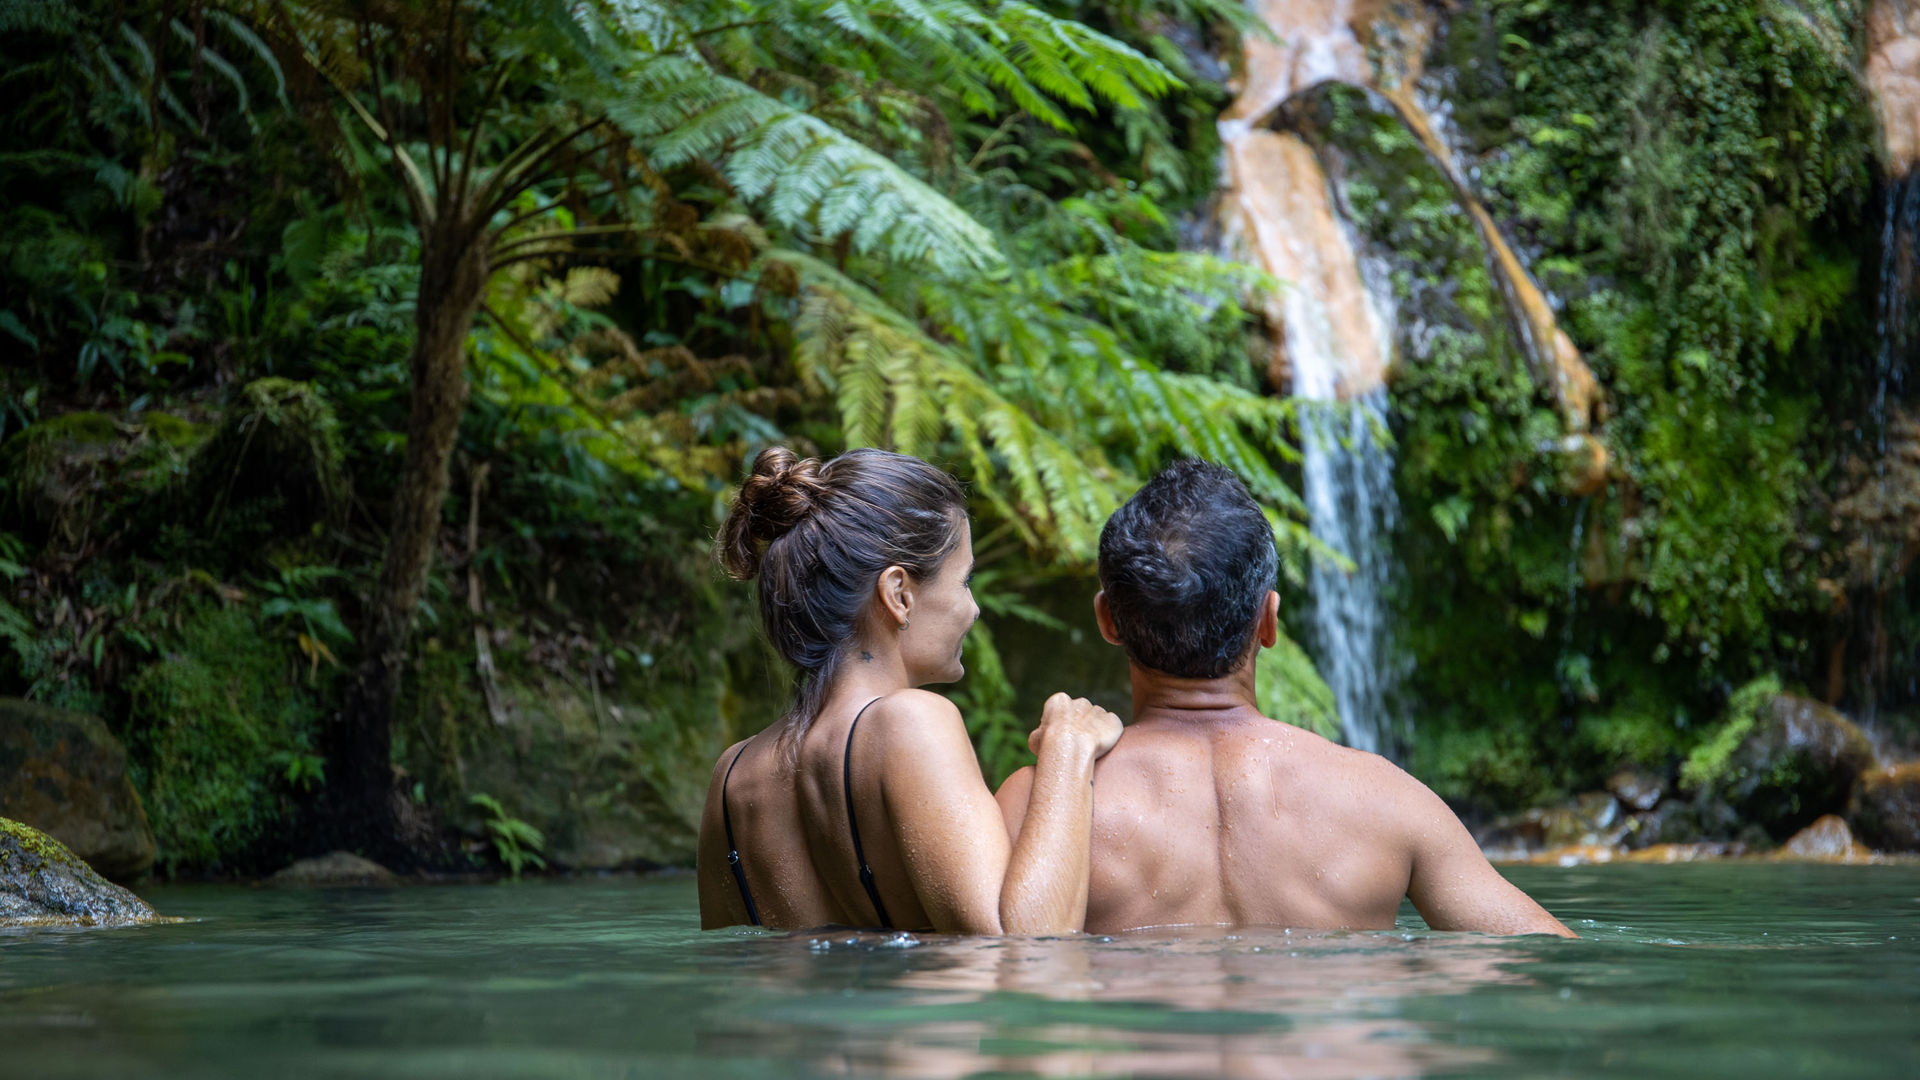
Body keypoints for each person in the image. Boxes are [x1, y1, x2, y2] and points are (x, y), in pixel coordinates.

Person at [996, 460, 1576, 937]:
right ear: (1269, 620)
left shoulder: (1041, 805)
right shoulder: (1386, 799)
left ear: (1108, 620)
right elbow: (1547, 957)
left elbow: (1008, 956)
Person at [697, 447, 1123, 933]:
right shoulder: (912, 722)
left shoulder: (731, 777)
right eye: (964, 581)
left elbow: (730, 955)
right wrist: (1068, 750)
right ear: (899, 594)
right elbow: (1025, 949)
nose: (974, 609)